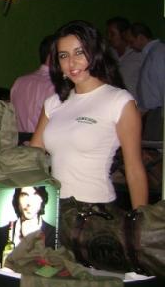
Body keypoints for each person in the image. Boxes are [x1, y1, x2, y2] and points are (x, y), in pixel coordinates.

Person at [31, 20, 148, 210]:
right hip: (53, 207)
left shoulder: (119, 101)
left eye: (79, 52)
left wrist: (141, 219)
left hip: (95, 210)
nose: (71, 62)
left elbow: (134, 169)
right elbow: (32, 157)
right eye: (63, 55)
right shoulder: (53, 103)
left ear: (95, 53)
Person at [0, 186, 56, 265]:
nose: (29, 203)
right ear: (17, 199)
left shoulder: (54, 235)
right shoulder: (0, 233)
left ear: (42, 199)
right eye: (24, 195)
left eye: (35, 194)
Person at [10, 35, 56, 136]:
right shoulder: (56, 86)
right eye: (64, 55)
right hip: (44, 143)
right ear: (52, 56)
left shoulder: (19, 82)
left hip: (19, 143)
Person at [128, 22, 165, 141]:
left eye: (131, 41)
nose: (130, 46)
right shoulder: (153, 53)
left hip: (159, 113)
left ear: (141, 37)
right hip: (153, 113)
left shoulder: (158, 53)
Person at [105, 17, 142, 100]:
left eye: (112, 34)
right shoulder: (109, 54)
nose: (109, 38)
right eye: (108, 34)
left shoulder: (138, 53)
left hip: (135, 103)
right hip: (113, 102)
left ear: (124, 34)